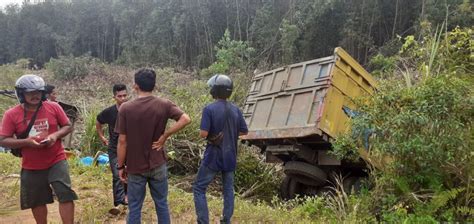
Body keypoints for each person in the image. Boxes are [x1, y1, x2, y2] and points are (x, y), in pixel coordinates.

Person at [115, 68, 191, 224]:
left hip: (135, 166)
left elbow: (122, 141)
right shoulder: (164, 104)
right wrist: (165, 136)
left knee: (135, 206)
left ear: (135, 86)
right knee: (162, 203)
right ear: (154, 85)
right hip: (158, 163)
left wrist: (120, 166)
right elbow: (185, 119)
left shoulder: (126, 108)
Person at [0, 74, 77, 224]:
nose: (35, 95)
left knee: (65, 193)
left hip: (56, 158)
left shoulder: (53, 107)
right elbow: (3, 140)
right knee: (36, 199)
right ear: (21, 94)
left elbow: (67, 126)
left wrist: (54, 136)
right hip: (31, 165)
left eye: (38, 92)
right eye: (30, 92)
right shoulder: (11, 114)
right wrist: (27, 142)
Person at [193, 74, 248, 224]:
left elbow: (203, 134)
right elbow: (244, 131)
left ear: (215, 90)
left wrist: (212, 135)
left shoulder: (209, 109)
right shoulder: (236, 109)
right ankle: (226, 220)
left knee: (199, 187)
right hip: (230, 155)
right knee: (228, 189)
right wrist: (231, 132)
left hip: (213, 156)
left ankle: (203, 221)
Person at [96, 84, 129, 213]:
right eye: (120, 96)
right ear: (114, 97)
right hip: (114, 148)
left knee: (129, 173)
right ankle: (118, 203)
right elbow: (98, 121)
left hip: (130, 148)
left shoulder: (132, 109)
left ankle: (127, 197)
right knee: (117, 174)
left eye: (125, 95)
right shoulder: (109, 112)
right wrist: (102, 137)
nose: (123, 98)